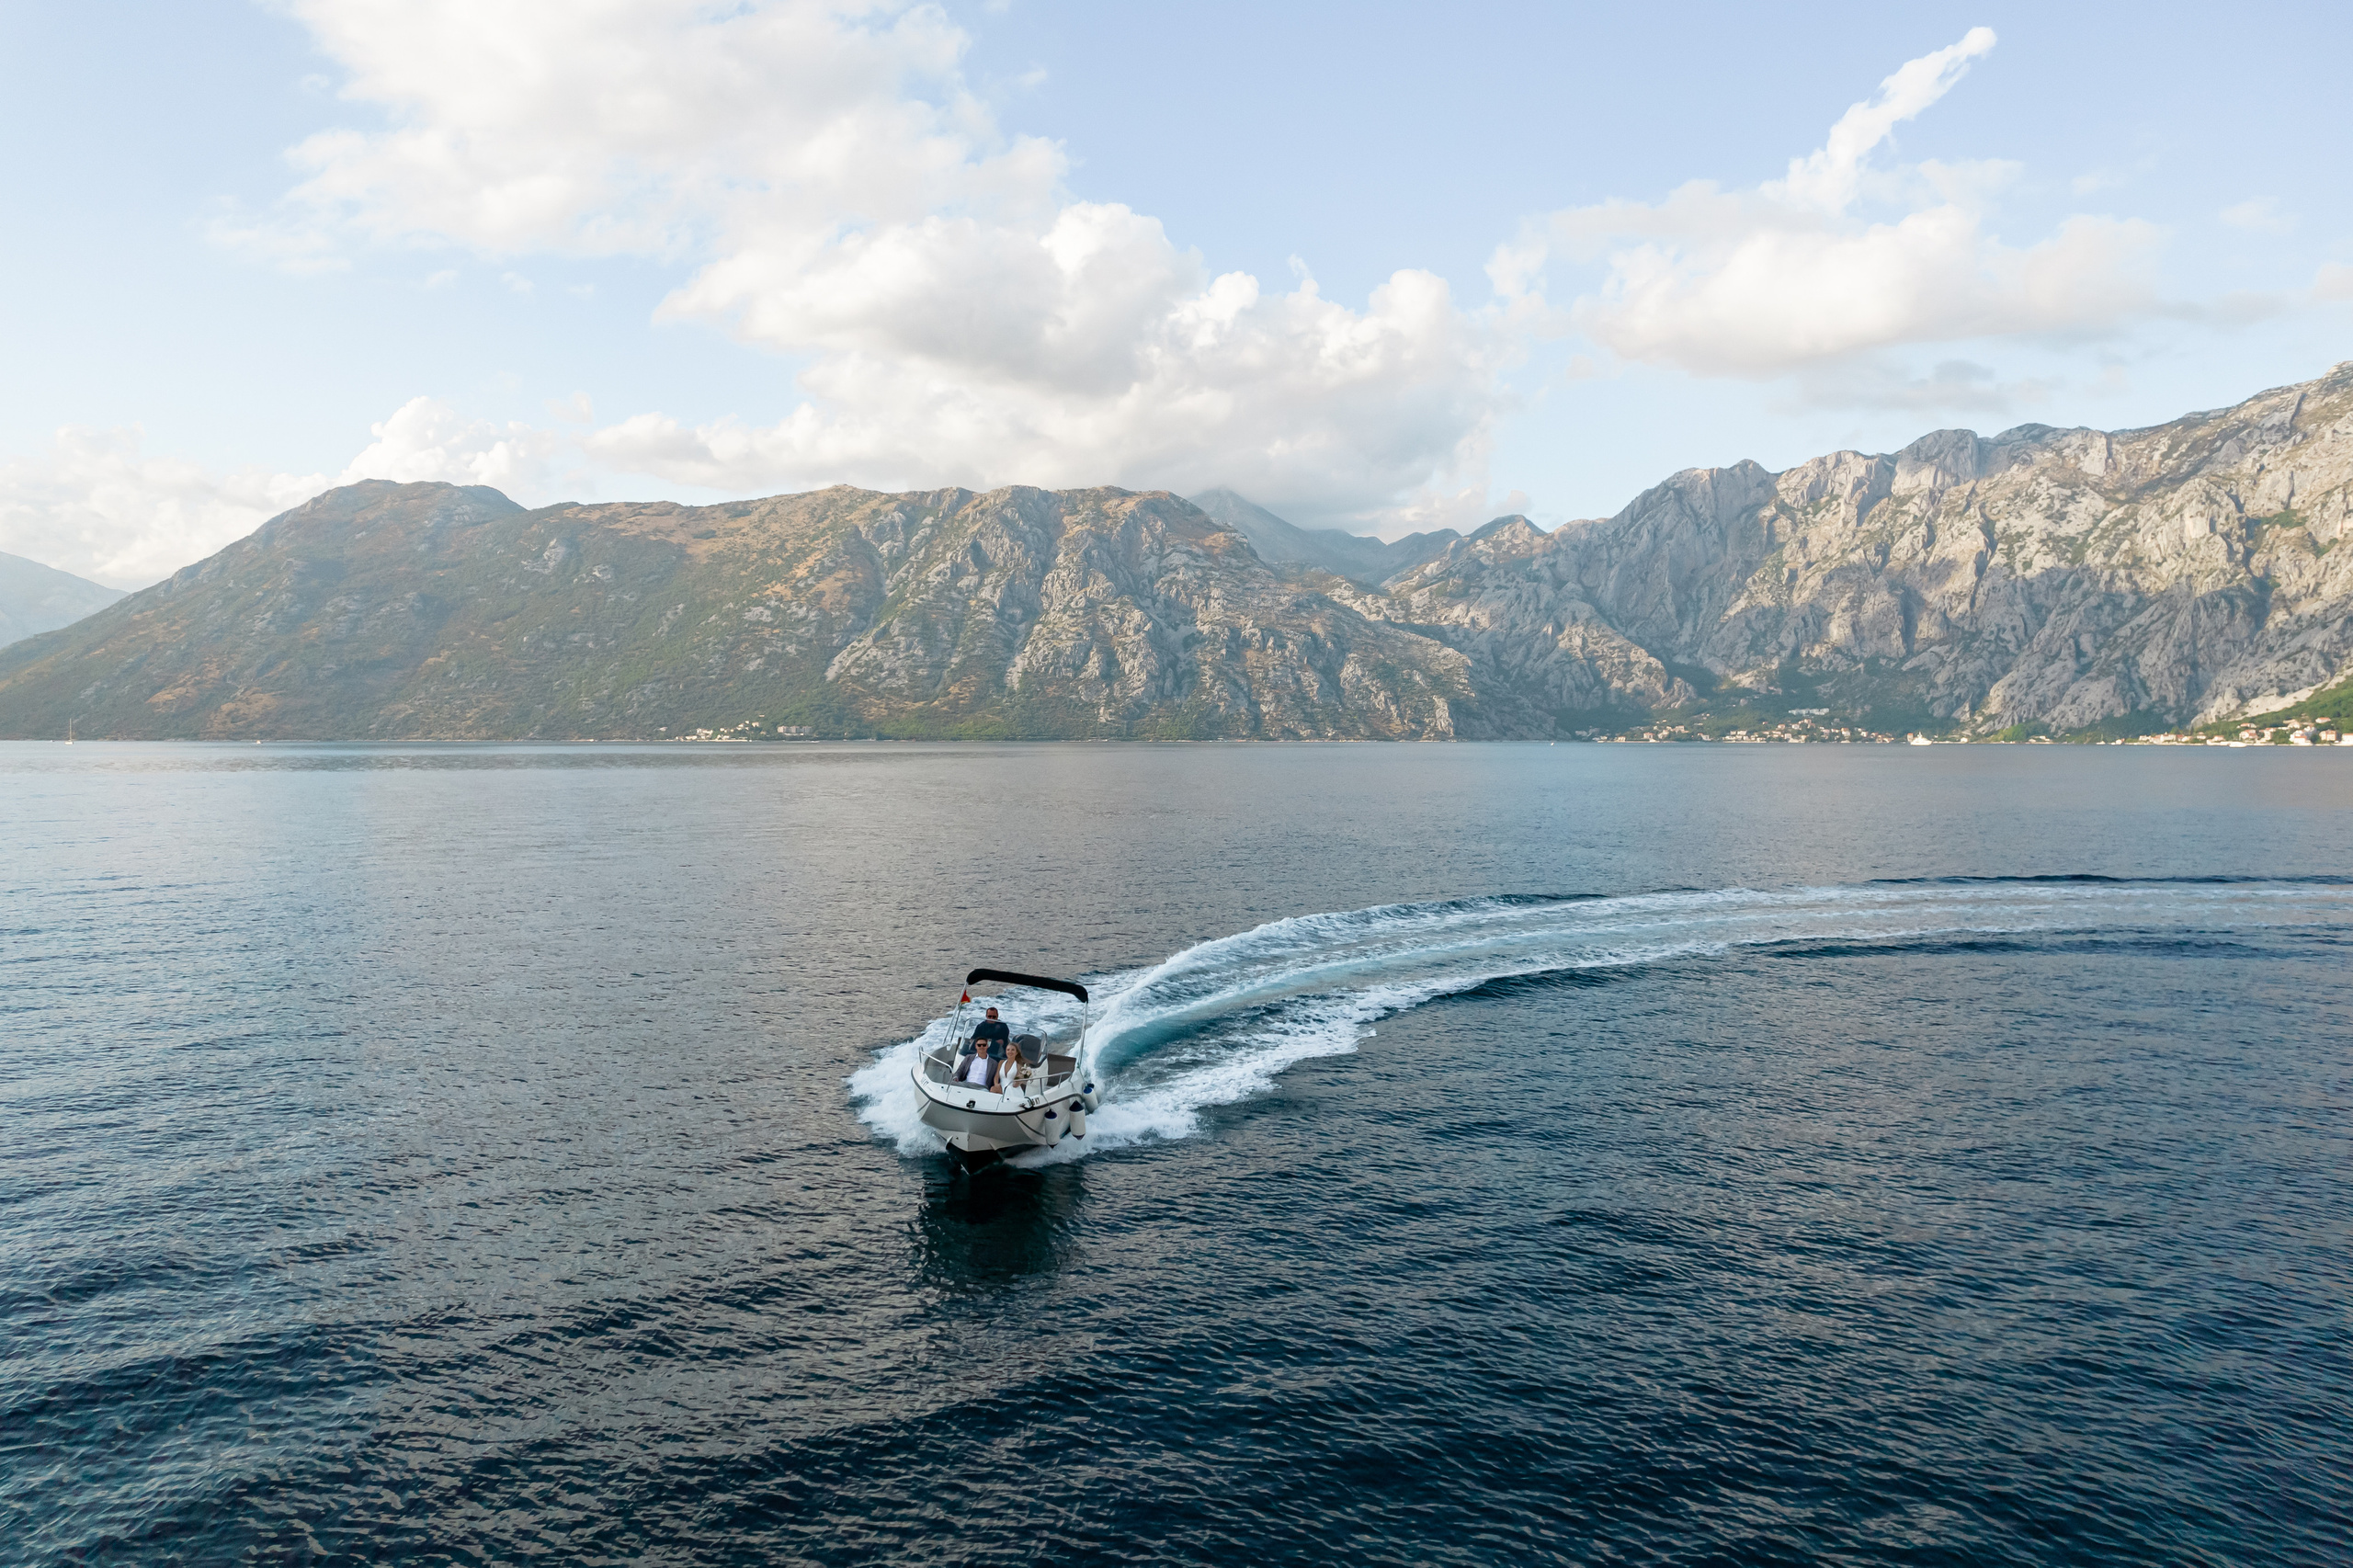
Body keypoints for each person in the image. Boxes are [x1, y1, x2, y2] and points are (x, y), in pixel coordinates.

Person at [969, 1006, 1012, 1090]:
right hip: (981, 1050)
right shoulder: (981, 1026)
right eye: (989, 1016)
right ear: (986, 1016)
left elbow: (1004, 1041)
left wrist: (1000, 1042)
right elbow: (973, 1038)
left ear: (997, 1016)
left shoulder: (1003, 1027)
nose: (992, 1019)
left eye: (994, 1017)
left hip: (996, 1053)